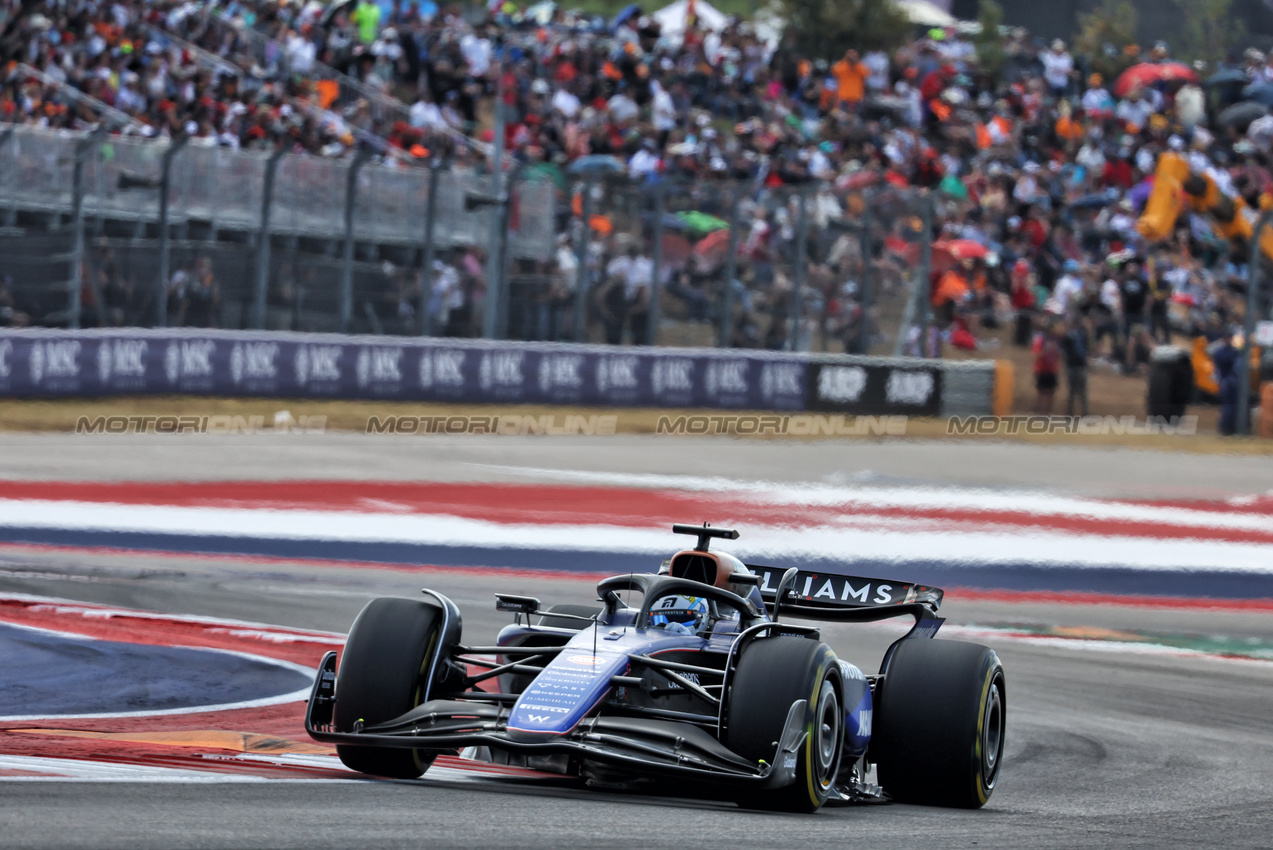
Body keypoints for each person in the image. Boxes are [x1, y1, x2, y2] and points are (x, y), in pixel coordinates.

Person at [1061, 315, 1090, 416]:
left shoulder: (1082, 335)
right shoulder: (1069, 336)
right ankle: (1071, 412)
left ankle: (1082, 412)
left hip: (1078, 366)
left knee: (1079, 392)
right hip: (1073, 366)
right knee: (1074, 392)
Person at [1032, 320, 1061, 414]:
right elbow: (1036, 355)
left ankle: (1048, 412)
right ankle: (1038, 411)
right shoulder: (1040, 341)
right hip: (1042, 369)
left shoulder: (1056, 342)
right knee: (1041, 392)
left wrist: (1055, 350)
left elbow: (1060, 355)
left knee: (1051, 392)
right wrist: (1045, 350)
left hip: (1052, 369)